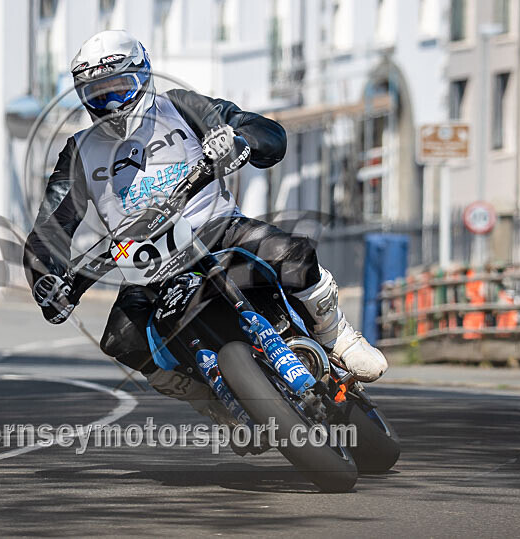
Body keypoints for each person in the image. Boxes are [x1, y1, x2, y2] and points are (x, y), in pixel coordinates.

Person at [23, 30, 388, 424]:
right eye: (96, 94)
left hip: (217, 228)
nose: (108, 104)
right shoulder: (79, 150)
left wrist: (240, 140)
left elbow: (266, 131)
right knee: (120, 339)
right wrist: (48, 277)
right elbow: (49, 228)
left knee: (291, 253)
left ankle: (335, 334)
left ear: (143, 76)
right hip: (146, 264)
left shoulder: (181, 106)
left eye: (117, 89)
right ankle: (209, 399)